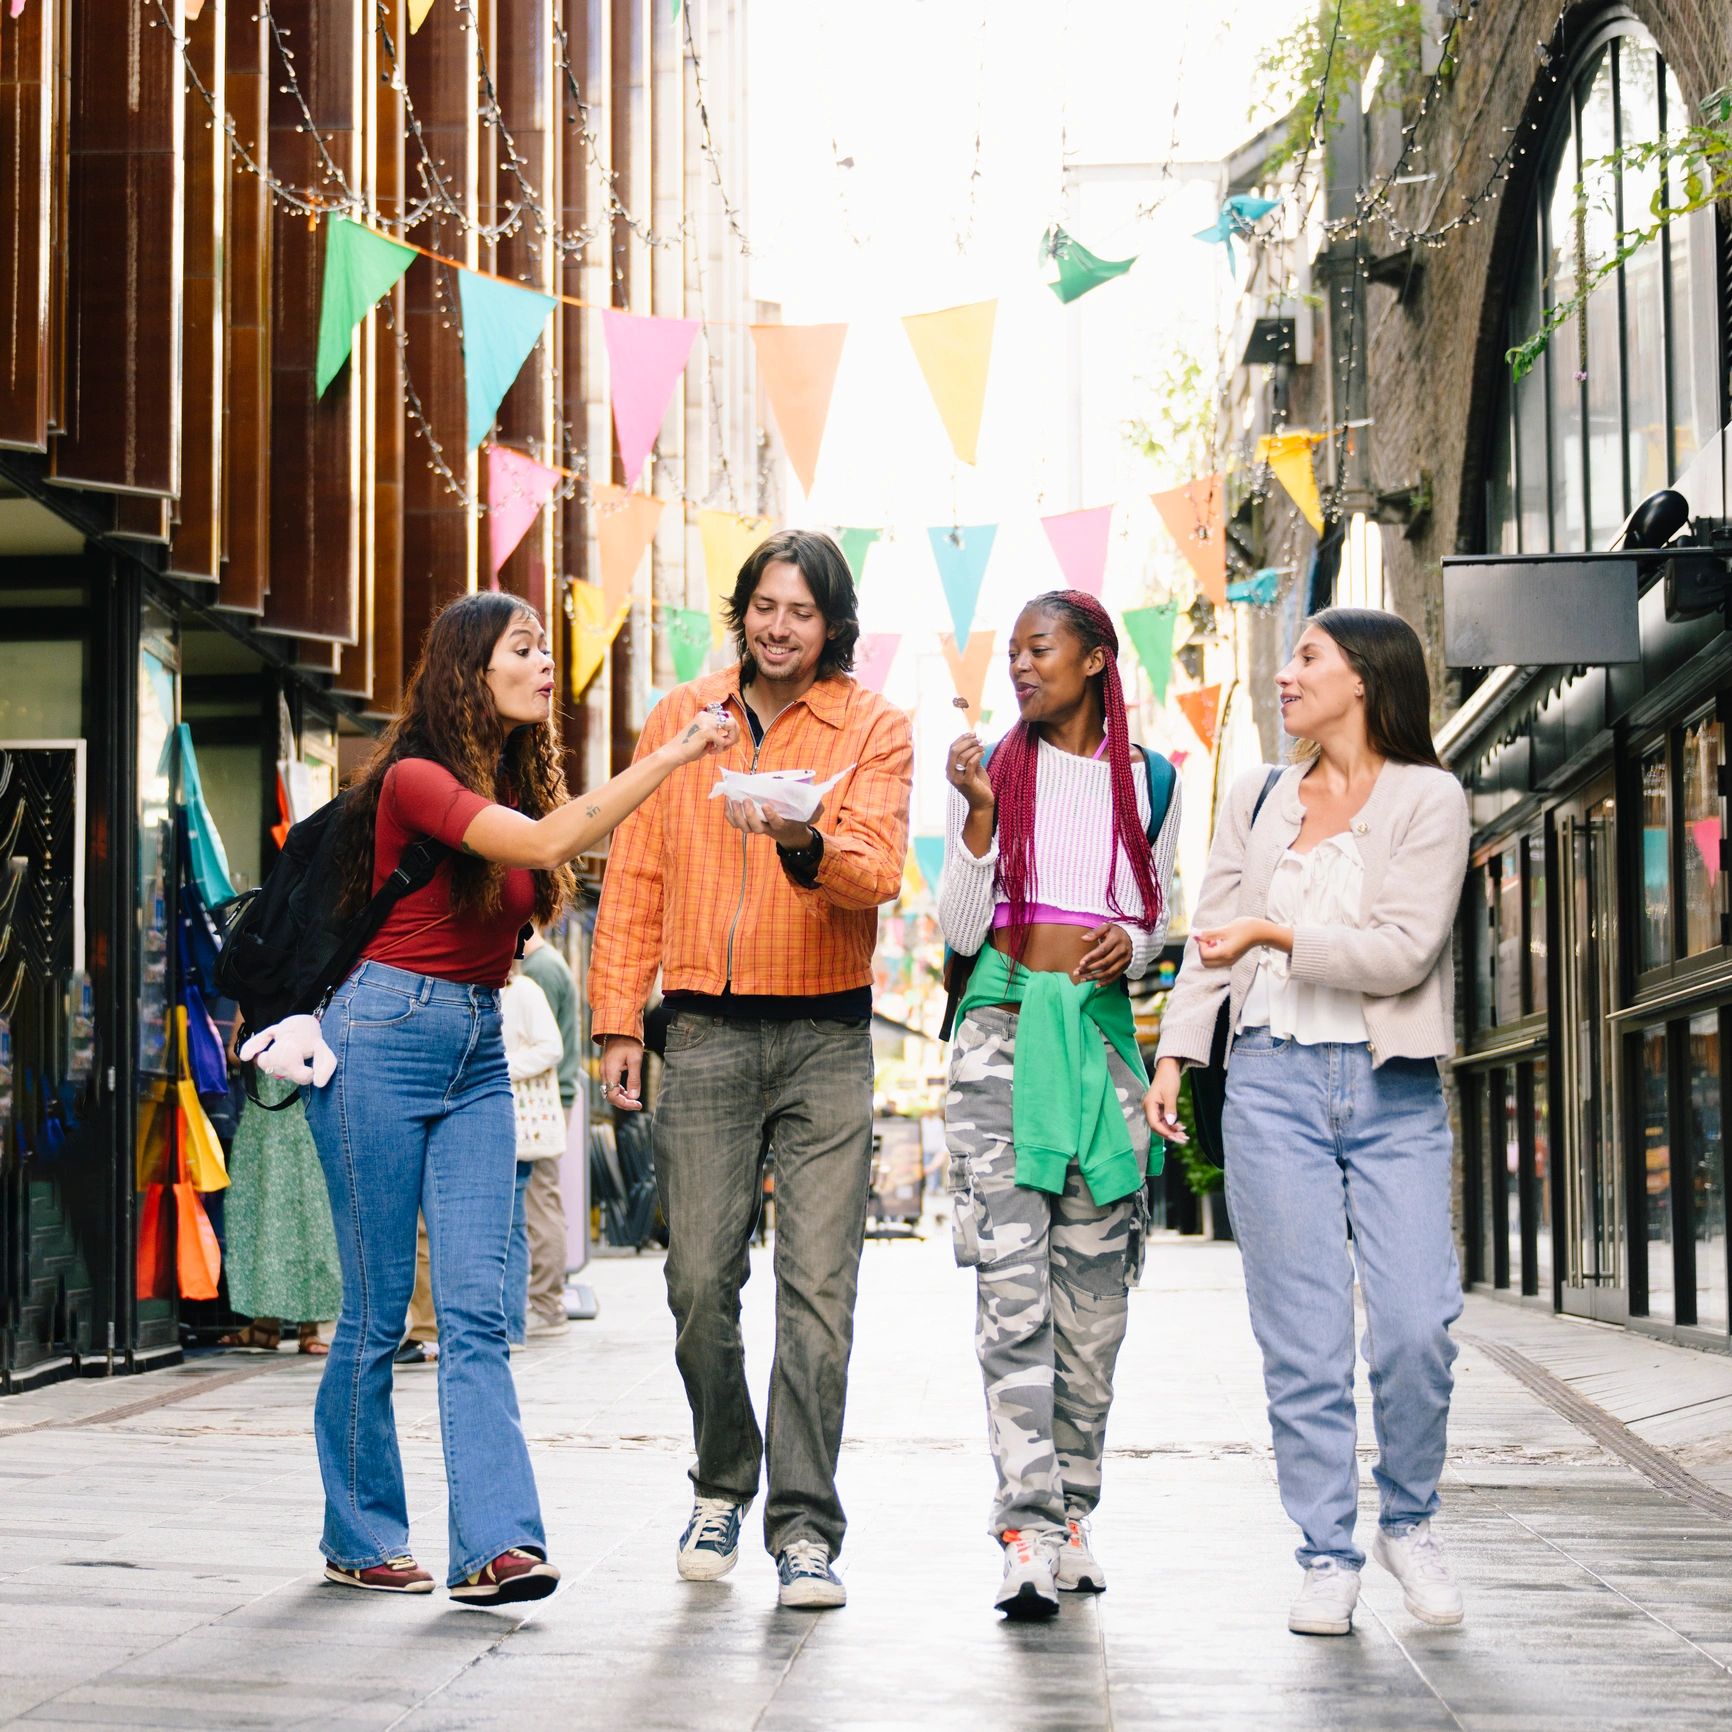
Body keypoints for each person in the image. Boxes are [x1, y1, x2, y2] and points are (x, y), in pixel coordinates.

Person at [291, 591, 735, 1604]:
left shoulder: (510, 777)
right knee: (371, 1314)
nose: (546, 665)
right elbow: (541, 850)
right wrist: (668, 757)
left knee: (478, 1311)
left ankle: (495, 1544)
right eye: (524, 649)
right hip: (380, 1038)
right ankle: (359, 1533)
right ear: (468, 669)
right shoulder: (411, 776)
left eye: (544, 647)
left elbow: (522, 890)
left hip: (475, 1050)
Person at [588, 528, 913, 1611]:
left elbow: (876, 873)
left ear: (832, 626)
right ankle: (723, 1476)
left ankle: (805, 1527)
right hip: (706, 1036)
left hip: (825, 1038)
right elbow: (633, 870)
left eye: (802, 613)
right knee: (694, 1282)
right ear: (744, 611)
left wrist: (803, 840)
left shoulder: (872, 726)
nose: (780, 627)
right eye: (765, 607)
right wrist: (617, 1024)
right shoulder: (680, 719)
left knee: (818, 1292)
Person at [1145, 607, 1470, 1639]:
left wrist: (1276, 931)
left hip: (1392, 1087)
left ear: (1363, 680)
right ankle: (1325, 1552)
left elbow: (1402, 951)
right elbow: (1210, 940)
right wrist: (1176, 1053)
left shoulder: (1430, 797)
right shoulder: (1255, 797)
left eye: (1306, 659)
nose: (1285, 677)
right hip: (1272, 1085)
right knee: (1305, 1342)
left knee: (1417, 1327)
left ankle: (1407, 1522)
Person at [938, 589, 1181, 1620]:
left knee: (1094, 1304)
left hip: (1099, 1046)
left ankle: (1072, 1510)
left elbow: (1164, 915)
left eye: (1041, 651)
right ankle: (1025, 1525)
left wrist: (1139, 944)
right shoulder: (992, 768)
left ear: (1093, 658)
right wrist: (982, 825)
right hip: (1000, 1040)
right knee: (1011, 1292)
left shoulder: (1154, 778)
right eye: (1015, 656)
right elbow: (956, 928)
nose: (1022, 669)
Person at [218, 1074, 342, 1356]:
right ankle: (267, 1324)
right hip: (268, 1120)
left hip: (297, 1117)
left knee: (308, 1218)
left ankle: (306, 1326)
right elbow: (237, 1050)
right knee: (266, 1216)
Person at [519, 927, 580, 1334]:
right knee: (542, 1197)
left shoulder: (538, 971)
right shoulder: (551, 964)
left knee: (540, 1198)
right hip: (552, 1097)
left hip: (541, 1101)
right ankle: (545, 1297)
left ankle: (546, 1301)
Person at [500, 960, 564, 1346]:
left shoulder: (524, 991)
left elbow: (551, 1047)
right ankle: (508, 1325)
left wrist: (501, 1067)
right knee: (505, 1227)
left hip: (519, 1122)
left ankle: (512, 1325)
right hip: (494, 1117)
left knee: (512, 1227)